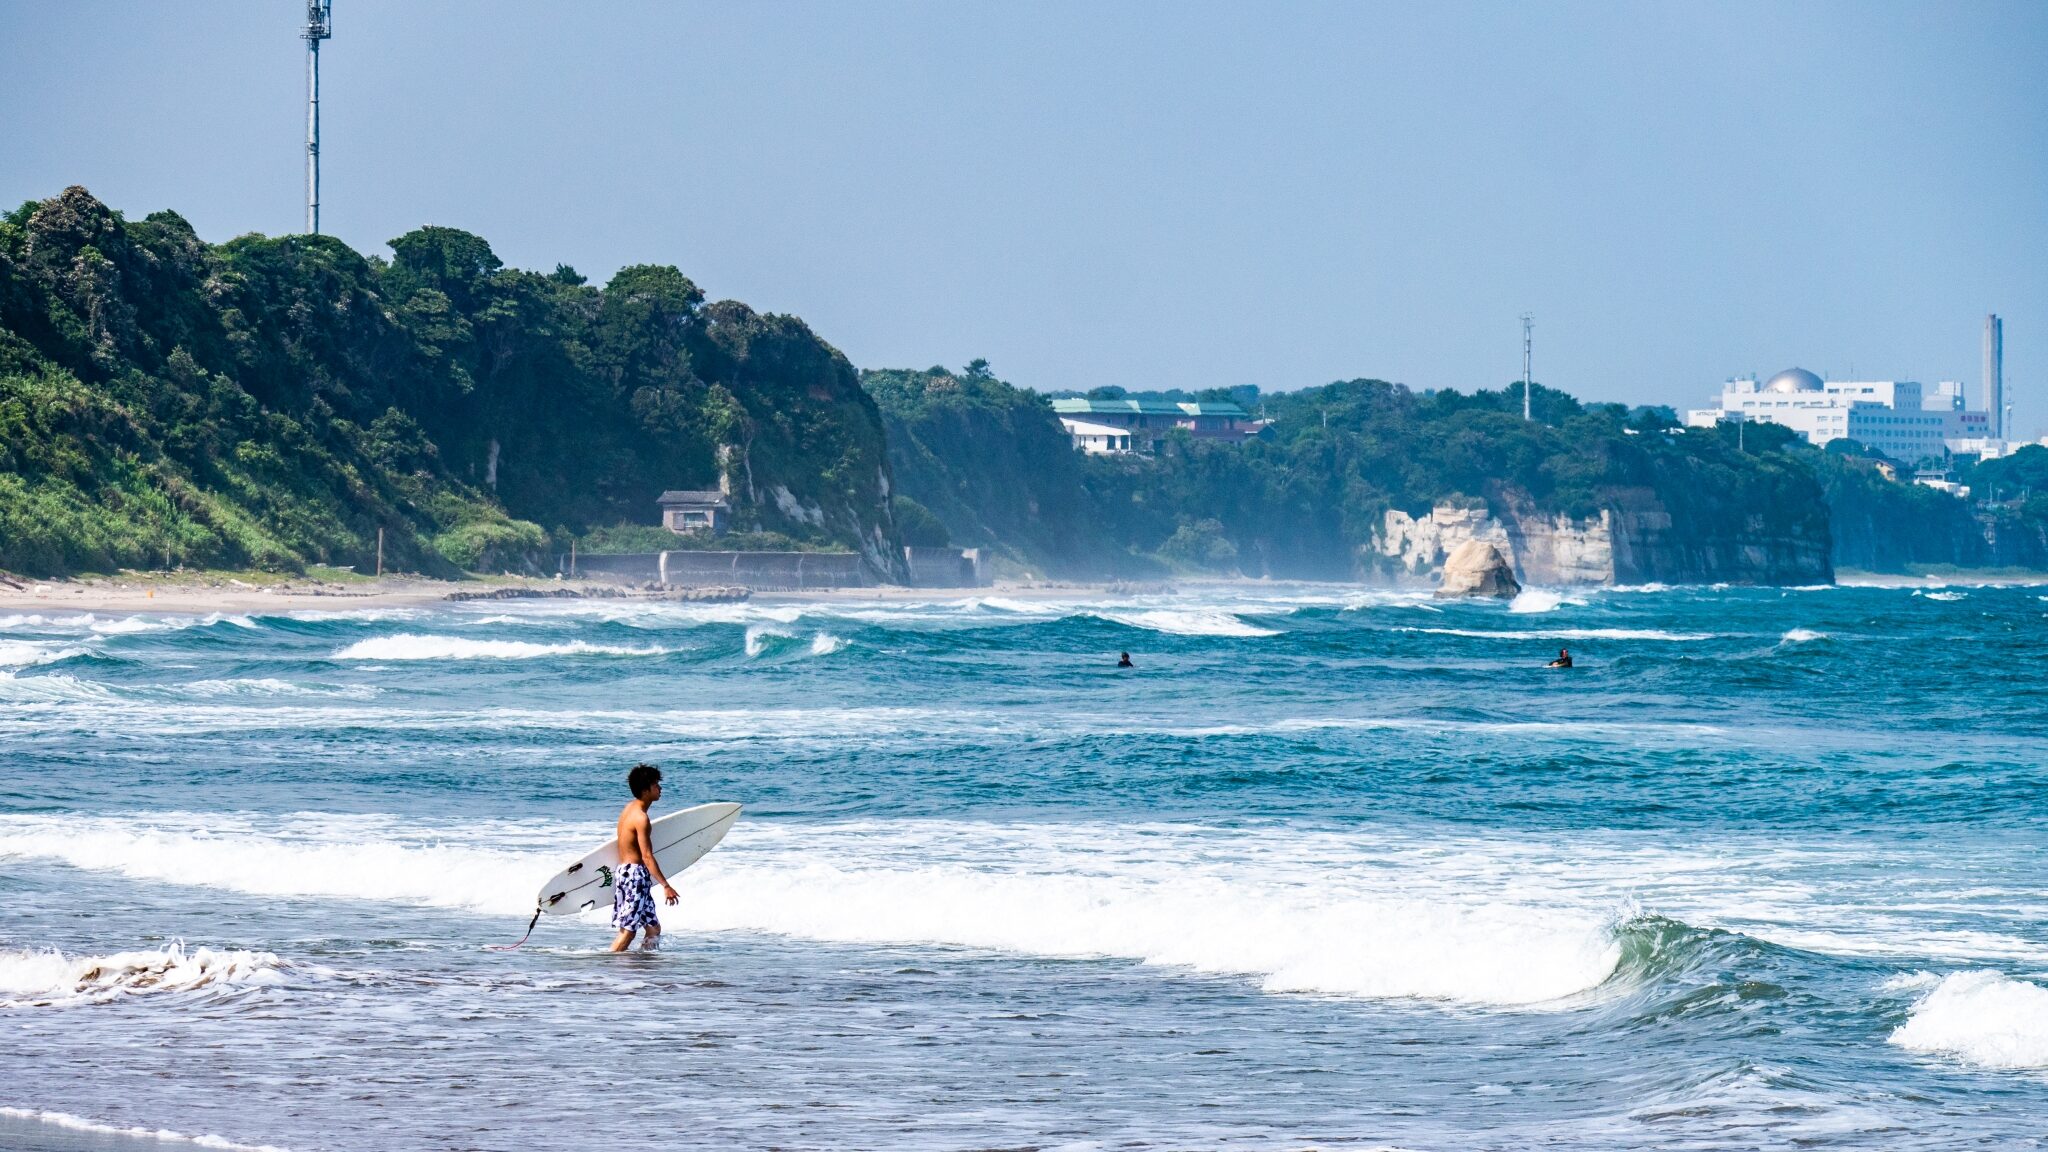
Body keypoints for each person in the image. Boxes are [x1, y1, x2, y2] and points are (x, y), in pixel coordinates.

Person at [609, 762, 679, 952]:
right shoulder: (641, 818)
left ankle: (643, 970)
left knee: (653, 929)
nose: (660, 788)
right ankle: (608, 968)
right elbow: (647, 857)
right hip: (634, 876)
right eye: (656, 785)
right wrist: (666, 885)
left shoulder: (629, 809)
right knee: (628, 931)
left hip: (626, 873)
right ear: (645, 790)